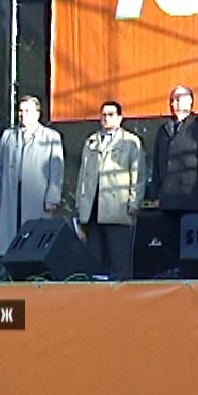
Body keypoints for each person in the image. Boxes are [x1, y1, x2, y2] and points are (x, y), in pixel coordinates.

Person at [75, 101, 146, 280]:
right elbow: (83, 175)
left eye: (111, 114)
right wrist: (79, 205)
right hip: (92, 209)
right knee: (95, 260)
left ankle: (122, 294)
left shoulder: (131, 142)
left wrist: (134, 202)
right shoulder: (91, 142)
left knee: (119, 260)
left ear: (120, 118)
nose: (106, 118)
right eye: (103, 115)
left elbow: (138, 174)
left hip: (118, 209)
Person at [150, 85, 198, 270]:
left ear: (189, 101)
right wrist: (156, 193)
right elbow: (157, 163)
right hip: (168, 198)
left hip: (193, 197)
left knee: (193, 243)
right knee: (169, 241)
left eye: (178, 99)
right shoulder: (163, 129)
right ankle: (173, 273)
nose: (173, 103)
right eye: (171, 100)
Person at [0, 95, 64, 257]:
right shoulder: (8, 136)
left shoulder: (51, 137)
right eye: (20, 111)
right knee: (9, 239)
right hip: (10, 196)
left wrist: (52, 198)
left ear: (37, 114)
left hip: (37, 197)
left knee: (34, 240)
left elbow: (56, 170)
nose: (22, 114)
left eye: (27, 111)